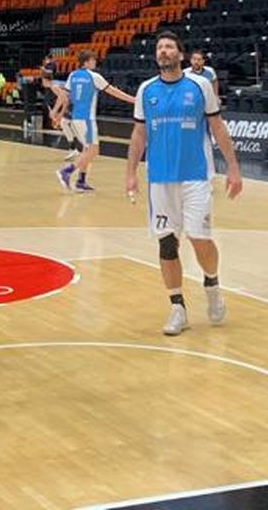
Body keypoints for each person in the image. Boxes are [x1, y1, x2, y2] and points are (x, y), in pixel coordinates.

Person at [125, 30, 243, 336]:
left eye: (169, 47)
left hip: (195, 176)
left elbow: (217, 128)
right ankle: (177, 307)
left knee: (199, 237)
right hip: (160, 179)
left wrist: (233, 168)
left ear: (180, 54)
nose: (164, 51)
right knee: (167, 243)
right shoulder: (146, 90)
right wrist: (130, 174)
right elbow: (139, 135)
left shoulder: (200, 85)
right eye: (160, 47)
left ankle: (213, 285)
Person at [57, 50, 133, 192]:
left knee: (87, 150)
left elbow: (64, 95)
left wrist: (57, 112)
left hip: (75, 118)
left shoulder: (72, 75)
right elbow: (113, 91)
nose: (95, 62)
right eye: (93, 60)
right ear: (86, 62)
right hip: (87, 119)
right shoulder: (94, 76)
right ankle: (66, 172)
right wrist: (133, 100)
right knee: (93, 151)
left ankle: (81, 181)